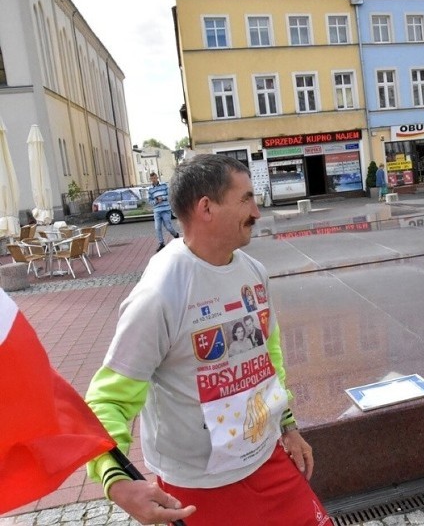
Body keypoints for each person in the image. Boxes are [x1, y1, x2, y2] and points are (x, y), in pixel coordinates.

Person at [85, 154, 329, 526]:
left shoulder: (254, 273)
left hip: (266, 459)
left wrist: (287, 424)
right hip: (197, 487)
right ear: (206, 208)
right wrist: (115, 481)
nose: (257, 212)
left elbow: (268, 357)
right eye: (246, 198)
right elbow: (107, 400)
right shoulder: (159, 294)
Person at [148, 171, 180, 252]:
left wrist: (162, 198)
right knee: (157, 227)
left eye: (155, 178)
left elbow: (170, 196)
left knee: (168, 227)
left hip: (165, 209)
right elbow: (150, 201)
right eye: (152, 179)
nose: (153, 180)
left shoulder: (164, 185)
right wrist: (155, 201)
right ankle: (161, 243)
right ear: (150, 179)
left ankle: (176, 235)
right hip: (157, 211)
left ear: (157, 177)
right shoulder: (150, 190)